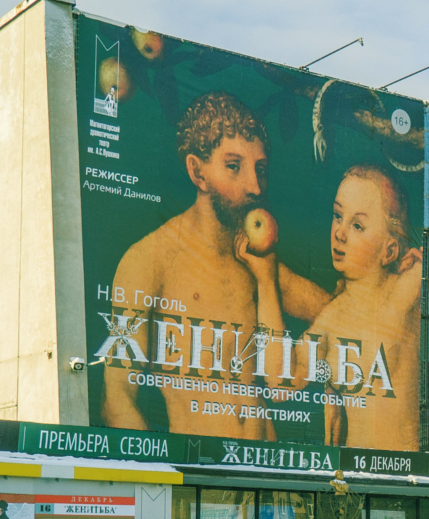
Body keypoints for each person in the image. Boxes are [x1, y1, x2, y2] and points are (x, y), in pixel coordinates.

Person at [102, 91, 329, 440]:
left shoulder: (258, 261)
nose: (254, 186)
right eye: (234, 166)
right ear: (197, 171)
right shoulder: (149, 260)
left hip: (268, 469)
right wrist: (156, 474)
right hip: (198, 477)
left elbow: (340, 317)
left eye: (261, 169)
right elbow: (118, 396)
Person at [307, 164, 423, 452]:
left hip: (408, 475)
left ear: (390, 251)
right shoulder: (333, 315)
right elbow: (281, 380)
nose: (340, 233)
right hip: (353, 476)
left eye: (357, 225)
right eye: (337, 216)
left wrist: (421, 262)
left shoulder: (404, 289)